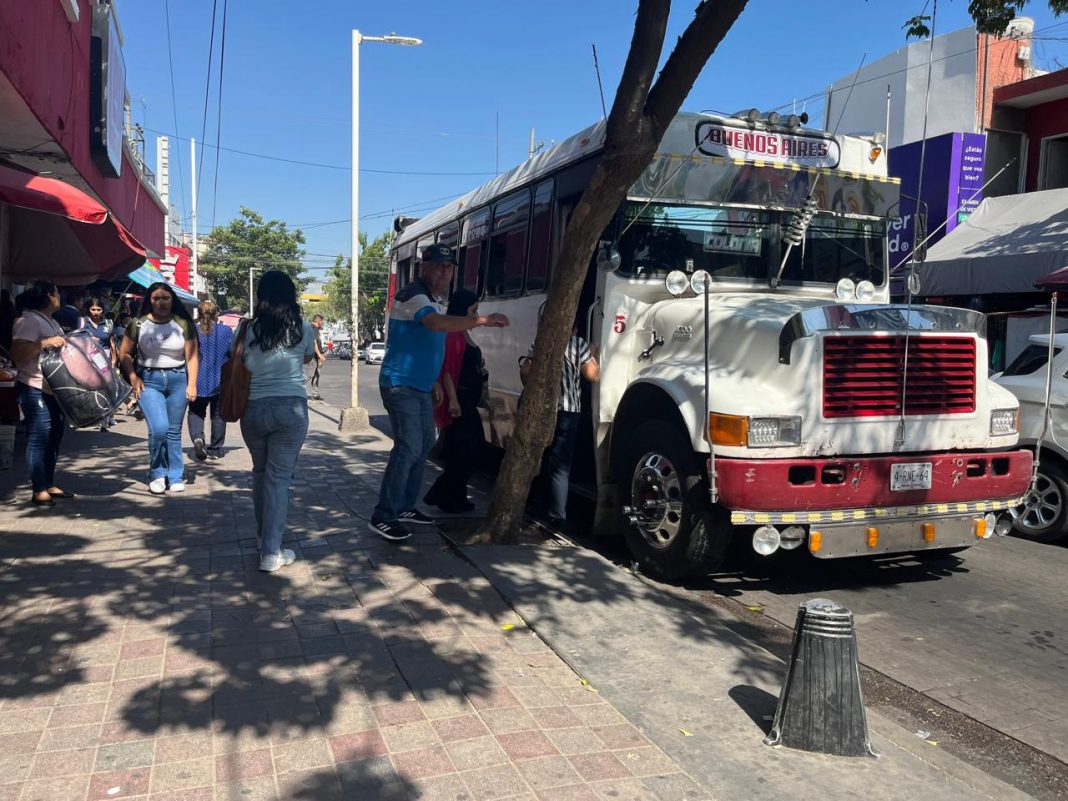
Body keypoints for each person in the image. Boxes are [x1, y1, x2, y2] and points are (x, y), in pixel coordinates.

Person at [369, 243, 510, 542]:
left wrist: (434, 382)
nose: (446, 273)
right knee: (408, 447)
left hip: (419, 386)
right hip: (401, 384)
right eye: (439, 266)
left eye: (450, 268)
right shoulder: (414, 295)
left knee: (424, 445)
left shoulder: (433, 299)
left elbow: (429, 346)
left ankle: (405, 506)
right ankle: (384, 515)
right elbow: (435, 325)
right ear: (424, 267)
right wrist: (483, 320)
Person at [240, 271, 317, 572]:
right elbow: (308, 357)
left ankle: (263, 537)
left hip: (253, 409)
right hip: (290, 409)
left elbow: (239, 359)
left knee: (260, 474)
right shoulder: (303, 327)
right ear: (291, 296)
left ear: (261, 296)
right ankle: (271, 552)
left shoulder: (246, 328)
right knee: (279, 480)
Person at [118, 283, 199, 494]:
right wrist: (133, 377)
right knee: (159, 428)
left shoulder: (183, 324)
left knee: (173, 431)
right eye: (156, 298)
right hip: (148, 380)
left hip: (178, 379)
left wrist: (192, 384)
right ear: (149, 301)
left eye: (165, 298)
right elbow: (124, 353)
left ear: (172, 300)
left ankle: (175, 475)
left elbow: (192, 357)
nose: (161, 302)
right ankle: (157, 472)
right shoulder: (138, 324)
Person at [520, 324, 600, 528]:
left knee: (539, 458)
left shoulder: (541, 341)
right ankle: (557, 516)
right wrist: (592, 355)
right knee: (561, 467)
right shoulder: (578, 344)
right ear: (575, 328)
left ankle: (534, 505)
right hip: (569, 412)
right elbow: (593, 376)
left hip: (544, 410)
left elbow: (526, 373)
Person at [423, 289, 486, 513]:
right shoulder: (454, 336)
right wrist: (453, 400)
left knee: (467, 452)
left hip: (469, 400)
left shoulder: (464, 334)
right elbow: (448, 371)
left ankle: (453, 497)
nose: (475, 316)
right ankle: (443, 496)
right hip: (460, 401)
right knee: (465, 450)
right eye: (473, 311)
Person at [10, 280, 72, 507]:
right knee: (40, 435)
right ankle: (38, 489)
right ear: (48, 296)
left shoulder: (51, 321)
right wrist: (44, 342)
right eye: (57, 293)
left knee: (55, 434)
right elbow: (17, 352)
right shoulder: (29, 320)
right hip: (33, 386)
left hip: (52, 388)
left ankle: (48, 482)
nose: (60, 297)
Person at [188, 300, 233, 461]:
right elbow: (233, 353)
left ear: (199, 314)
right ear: (216, 314)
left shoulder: (192, 331)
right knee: (219, 415)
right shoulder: (226, 331)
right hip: (220, 380)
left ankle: (198, 438)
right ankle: (215, 449)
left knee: (196, 412)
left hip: (196, 380)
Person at [80, 297, 116, 430]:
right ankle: (96, 415)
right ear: (88, 309)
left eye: (99, 309)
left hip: (105, 359)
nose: (96, 312)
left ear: (103, 310)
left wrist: (114, 360)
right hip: (88, 359)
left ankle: (106, 417)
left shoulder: (108, 323)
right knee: (92, 388)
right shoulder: (83, 322)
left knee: (106, 388)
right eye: (93, 309)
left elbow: (112, 343)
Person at [307, 314, 326, 400]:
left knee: (316, 375)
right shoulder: (313, 329)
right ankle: (294, 388)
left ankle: (315, 394)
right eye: (322, 321)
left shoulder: (315, 329)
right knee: (310, 375)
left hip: (316, 357)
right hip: (313, 356)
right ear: (319, 321)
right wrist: (319, 355)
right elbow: (314, 343)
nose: (323, 323)